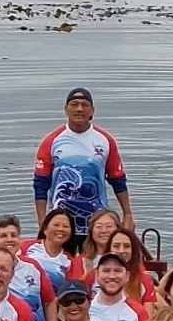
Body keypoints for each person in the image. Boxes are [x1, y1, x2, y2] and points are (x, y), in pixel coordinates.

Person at [33, 88, 133, 246]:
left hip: (96, 223)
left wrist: (127, 214)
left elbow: (118, 180)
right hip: (61, 223)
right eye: (74, 104)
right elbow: (40, 184)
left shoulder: (105, 140)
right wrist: (42, 223)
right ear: (66, 109)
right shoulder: (51, 141)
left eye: (84, 105)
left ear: (92, 110)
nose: (79, 109)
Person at [89, 252, 149, 321]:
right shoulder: (84, 308)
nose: (112, 276)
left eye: (117, 270)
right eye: (106, 270)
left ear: (127, 276)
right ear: (97, 275)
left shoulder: (138, 313)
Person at [21, 209, 84, 293]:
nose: (61, 229)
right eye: (56, 225)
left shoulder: (70, 262)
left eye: (65, 226)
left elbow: (70, 290)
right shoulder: (26, 247)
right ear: (45, 229)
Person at [104, 228, 157, 310]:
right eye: (116, 246)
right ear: (109, 248)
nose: (121, 250)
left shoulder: (144, 279)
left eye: (126, 246)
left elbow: (148, 317)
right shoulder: (94, 276)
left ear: (133, 250)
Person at [79, 208, 122, 277]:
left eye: (109, 226)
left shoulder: (127, 257)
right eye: (99, 227)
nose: (104, 231)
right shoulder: (80, 261)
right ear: (91, 231)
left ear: (118, 229)